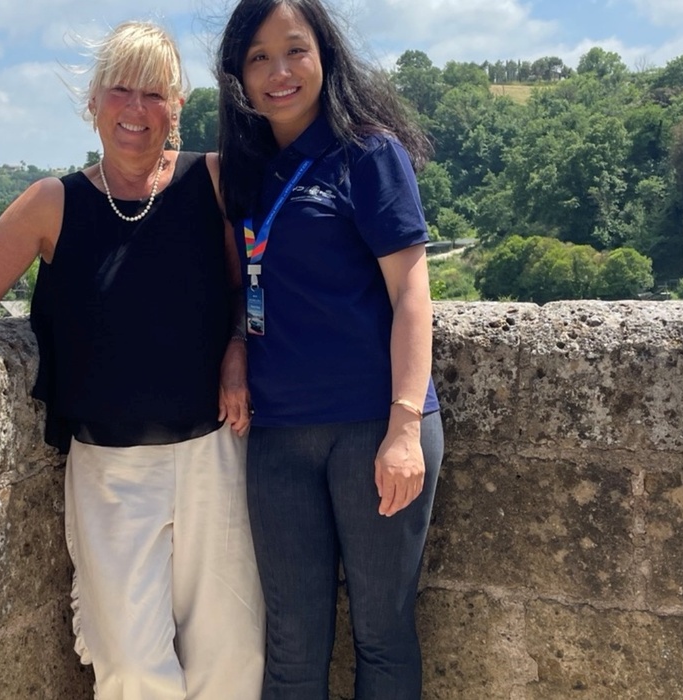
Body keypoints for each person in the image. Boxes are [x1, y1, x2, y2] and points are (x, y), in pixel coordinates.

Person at [0, 21, 264, 700]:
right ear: (93, 101)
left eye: (154, 93)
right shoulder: (54, 203)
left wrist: (239, 348)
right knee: (130, 668)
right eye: (120, 90)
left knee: (233, 659)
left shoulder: (213, 181)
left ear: (177, 106)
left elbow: (247, 289)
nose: (136, 109)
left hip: (215, 453)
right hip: (109, 469)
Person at [216, 0, 444, 697]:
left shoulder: (369, 154)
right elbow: (250, 283)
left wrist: (404, 427)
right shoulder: (248, 168)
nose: (279, 71)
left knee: (382, 636)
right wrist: (235, 347)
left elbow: (412, 295)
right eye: (258, 57)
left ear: (325, 56)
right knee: (290, 645)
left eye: (295, 50)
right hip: (279, 434)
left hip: (373, 425)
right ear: (237, 75)